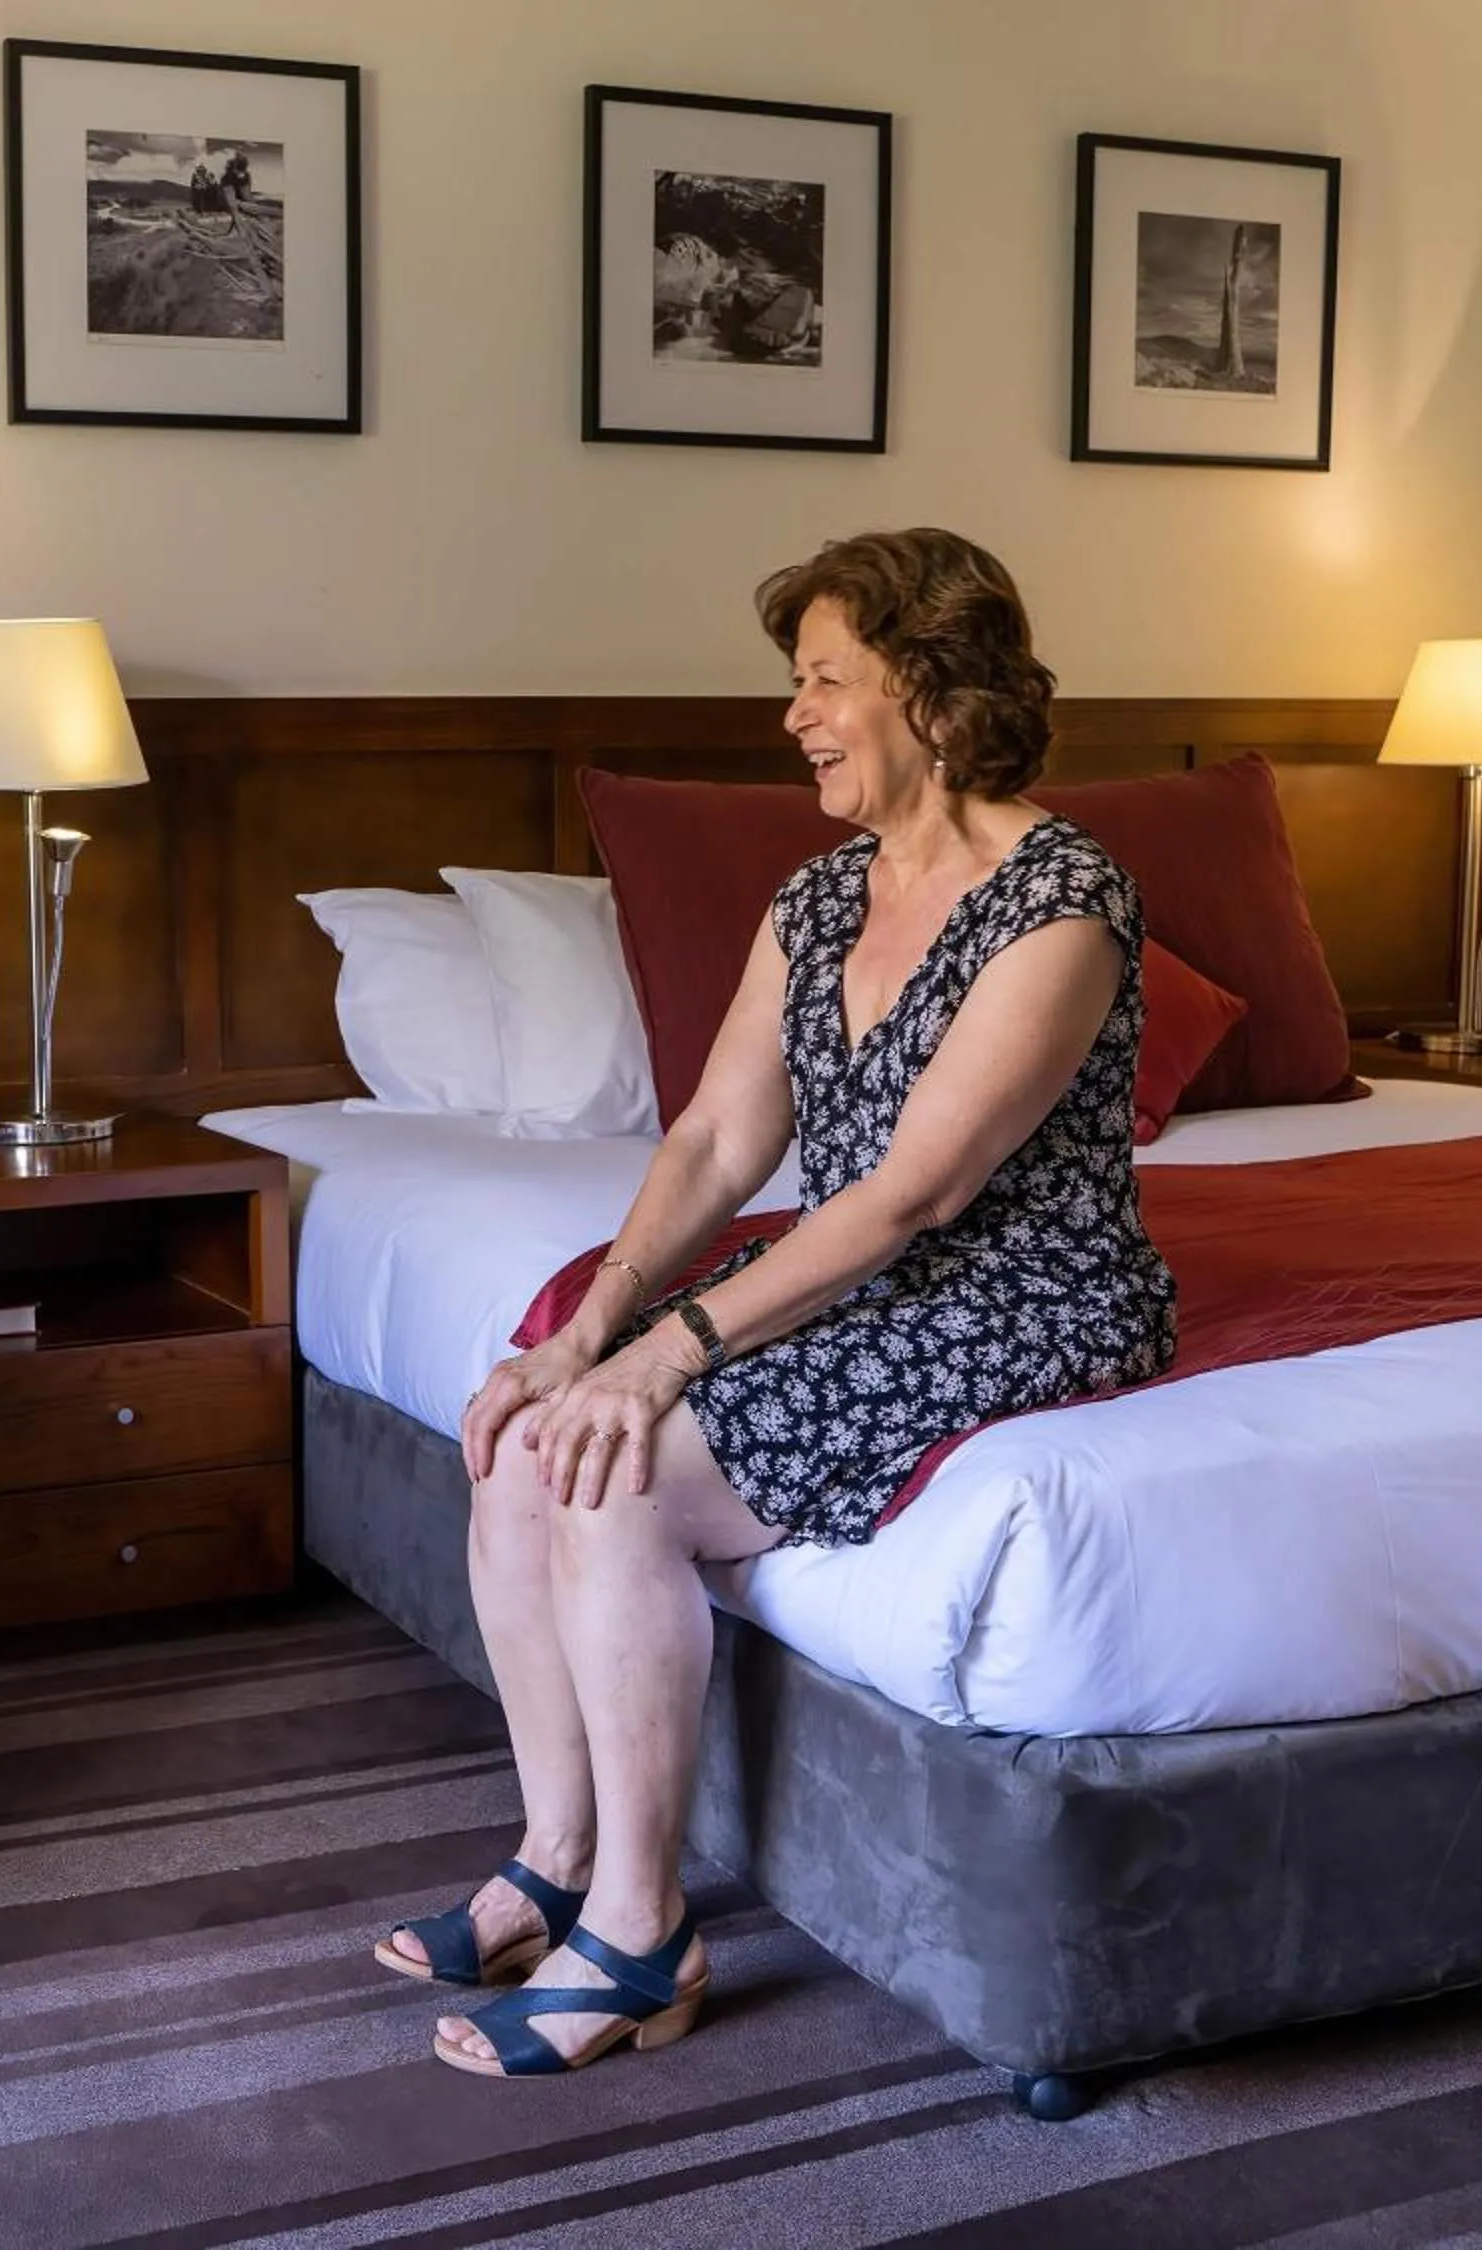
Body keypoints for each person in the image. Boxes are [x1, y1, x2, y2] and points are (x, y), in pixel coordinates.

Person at [379, 529, 1175, 2077]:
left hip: (1020, 1291)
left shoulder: (1064, 898)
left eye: (826, 679)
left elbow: (916, 1195)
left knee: (619, 1474)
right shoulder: (818, 898)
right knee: (530, 1432)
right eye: (795, 680)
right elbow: (718, 1138)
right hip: (865, 1272)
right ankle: (553, 1855)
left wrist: (673, 1358)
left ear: (934, 693)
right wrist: (593, 1328)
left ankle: (640, 1927)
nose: (794, 714)